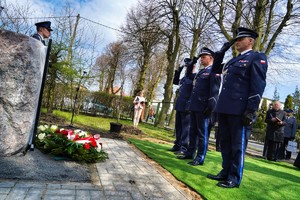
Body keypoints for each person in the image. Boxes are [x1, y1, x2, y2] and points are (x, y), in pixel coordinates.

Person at [207, 27, 268, 188]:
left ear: (250, 41)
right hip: (225, 107)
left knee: (237, 146)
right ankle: (225, 171)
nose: (237, 42)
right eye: (236, 40)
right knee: (225, 143)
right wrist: (220, 52)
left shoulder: (256, 57)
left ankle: (234, 178)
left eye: (241, 39)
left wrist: (251, 109)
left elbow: (258, 85)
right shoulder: (232, 61)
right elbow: (215, 70)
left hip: (240, 109)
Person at [177, 47, 221, 166]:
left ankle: (200, 156)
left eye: (203, 57)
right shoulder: (201, 72)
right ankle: (190, 152)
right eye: (201, 57)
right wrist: (192, 62)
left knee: (202, 133)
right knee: (193, 131)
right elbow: (189, 77)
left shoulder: (214, 70)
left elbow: (214, 90)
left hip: (204, 107)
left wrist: (211, 106)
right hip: (195, 106)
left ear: (211, 58)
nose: (201, 59)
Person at [169, 58, 196, 153]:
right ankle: (177, 144)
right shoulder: (184, 78)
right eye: (186, 66)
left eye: (188, 65)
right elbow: (176, 82)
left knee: (186, 128)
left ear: (194, 66)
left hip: (187, 106)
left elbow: (194, 92)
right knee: (178, 127)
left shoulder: (194, 77)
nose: (186, 67)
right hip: (180, 104)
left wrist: (190, 104)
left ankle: (184, 147)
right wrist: (177, 72)